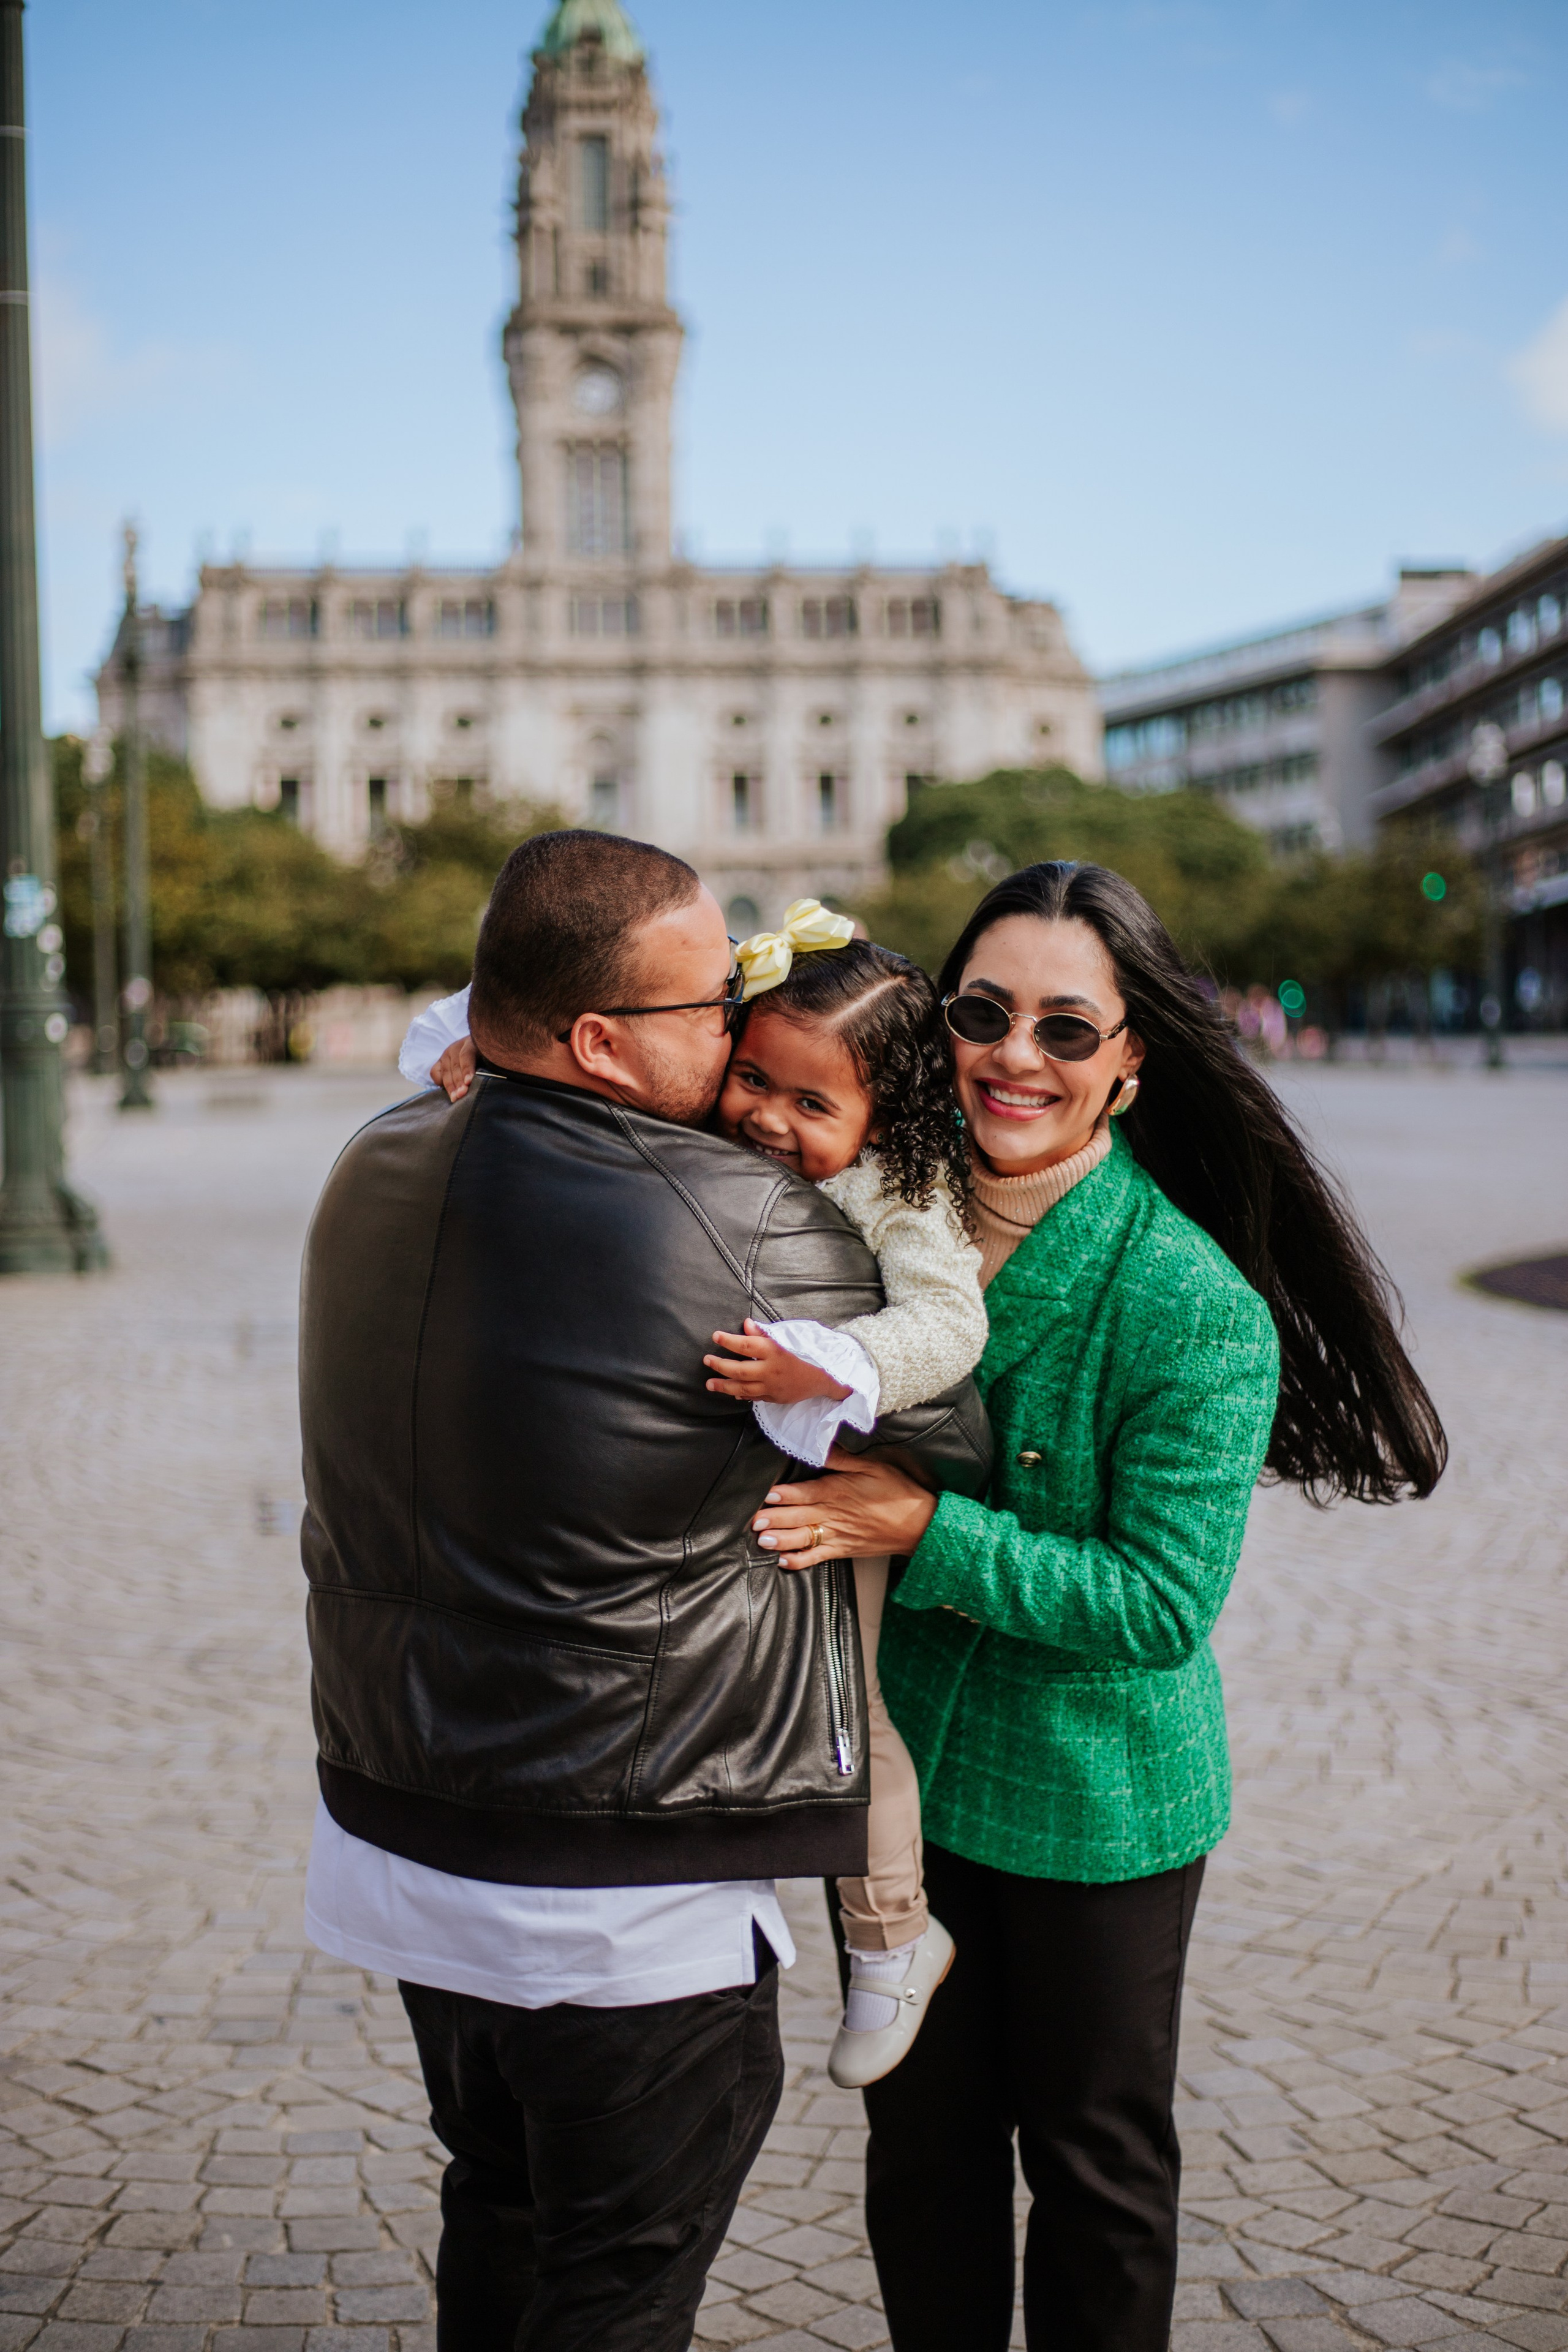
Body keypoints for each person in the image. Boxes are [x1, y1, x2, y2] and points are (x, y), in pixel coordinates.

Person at [297, 829, 990, 2352]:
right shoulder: (741, 1216)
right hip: (622, 1894)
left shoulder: (371, 1155)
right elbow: (957, 1432)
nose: (738, 1036)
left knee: (494, 2208)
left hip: (399, 1836)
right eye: (710, 1009)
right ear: (601, 1041)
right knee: (614, 2287)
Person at [750, 859, 1447, 2352]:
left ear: (1129, 1061)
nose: (1016, 1055)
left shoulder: (1190, 1301)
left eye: (1066, 1029)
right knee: (920, 2161)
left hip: (1097, 1798)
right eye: (981, 1014)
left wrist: (921, 1527)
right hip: (905, 1779)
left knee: (1094, 2169)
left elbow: (1156, 1602)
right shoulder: (850, 1200)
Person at [403, 902, 993, 2090]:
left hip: (830, 1485)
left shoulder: (904, 1190)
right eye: (754, 1080)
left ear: (884, 1118)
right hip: (723, 1489)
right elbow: (564, 1002)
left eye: (812, 1105)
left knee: (848, 1713)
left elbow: (950, 1323)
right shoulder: (708, 1119)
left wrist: (837, 1363)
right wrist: (464, 1054)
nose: (767, 1117)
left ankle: (891, 1937)